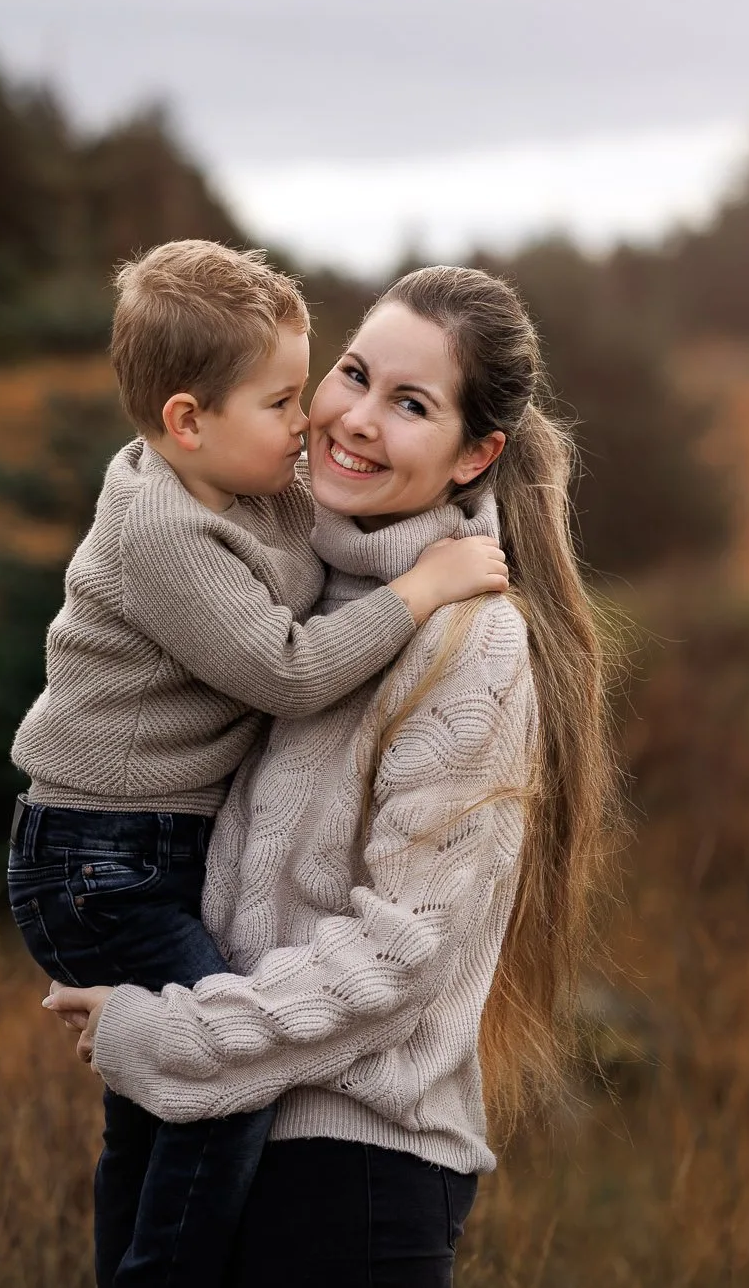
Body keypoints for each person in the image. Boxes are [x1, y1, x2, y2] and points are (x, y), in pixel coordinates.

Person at [48, 265, 623, 1287]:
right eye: (351, 374)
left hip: (345, 1166)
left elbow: (396, 958)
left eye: (409, 404)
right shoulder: (277, 573)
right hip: (211, 1122)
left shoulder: (467, 644)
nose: (354, 419)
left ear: (474, 454)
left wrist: (167, 1033)